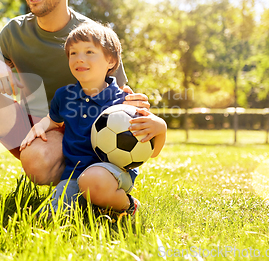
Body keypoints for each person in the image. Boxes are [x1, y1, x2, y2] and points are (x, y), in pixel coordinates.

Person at [0, 0, 150, 215]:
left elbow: (120, 98)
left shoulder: (91, 37)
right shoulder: (13, 31)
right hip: (26, 128)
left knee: (37, 162)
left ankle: (82, 187)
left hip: (70, 134)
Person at [20, 22, 167, 218]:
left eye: (89, 52)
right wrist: (40, 127)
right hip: (74, 175)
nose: (79, 58)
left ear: (111, 61)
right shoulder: (64, 96)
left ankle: (128, 205)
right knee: (50, 217)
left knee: (94, 182)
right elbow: (54, 120)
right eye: (73, 53)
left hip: (111, 176)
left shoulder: (125, 103)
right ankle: (96, 204)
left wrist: (161, 128)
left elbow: (153, 151)